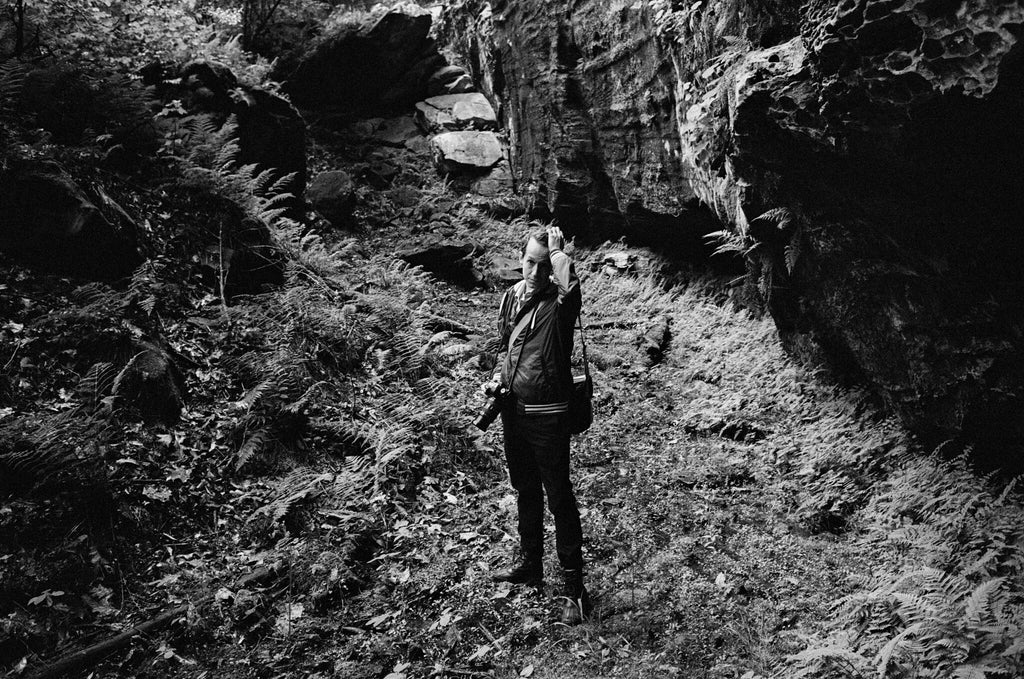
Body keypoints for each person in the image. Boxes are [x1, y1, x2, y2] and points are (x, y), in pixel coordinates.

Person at [482, 224, 591, 625]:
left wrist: (559, 252)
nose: (534, 271)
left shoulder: (561, 305)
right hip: (513, 411)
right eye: (529, 261)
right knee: (525, 489)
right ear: (520, 258)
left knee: (559, 495)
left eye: (543, 264)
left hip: (548, 416)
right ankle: (531, 565)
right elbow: (506, 348)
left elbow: (569, 288)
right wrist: (499, 378)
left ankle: (574, 590)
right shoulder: (511, 298)